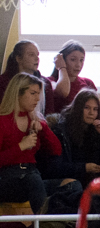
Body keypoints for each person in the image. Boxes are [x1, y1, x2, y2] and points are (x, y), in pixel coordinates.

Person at [0, 73, 62, 213]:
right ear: (18, 94)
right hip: (7, 178)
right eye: (33, 93)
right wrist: (21, 146)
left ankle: (65, 224)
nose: (37, 99)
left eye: (38, 94)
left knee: (72, 185)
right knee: (33, 180)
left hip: (32, 175)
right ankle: (46, 226)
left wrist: (43, 130)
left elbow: (57, 150)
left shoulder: (35, 120)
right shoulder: (2, 121)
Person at [42, 89, 100, 188]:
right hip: (73, 179)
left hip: (95, 177)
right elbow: (56, 167)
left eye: (95, 109)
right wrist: (84, 167)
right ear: (78, 108)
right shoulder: (62, 130)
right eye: (87, 108)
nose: (91, 113)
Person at [0, 40, 53, 116]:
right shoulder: (3, 82)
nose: (37, 58)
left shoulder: (45, 83)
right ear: (18, 58)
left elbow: (49, 114)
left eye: (37, 55)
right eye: (31, 55)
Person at [48, 40, 97, 115]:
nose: (78, 65)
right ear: (63, 60)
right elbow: (63, 92)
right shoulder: (50, 82)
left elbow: (96, 110)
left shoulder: (88, 83)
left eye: (81, 60)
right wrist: (62, 67)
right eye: (73, 60)